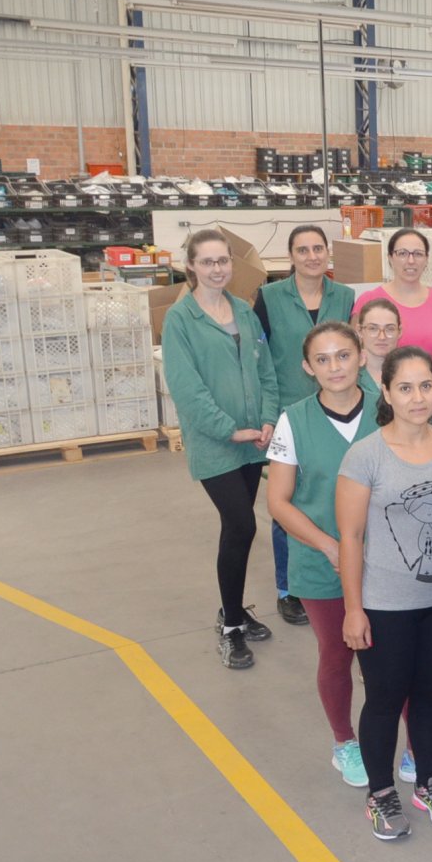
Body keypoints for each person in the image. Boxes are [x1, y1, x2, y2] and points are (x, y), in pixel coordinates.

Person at [336, 346, 432, 840]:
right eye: (406, 388)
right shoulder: (365, 455)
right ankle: (380, 792)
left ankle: (429, 781)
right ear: (386, 392)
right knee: (385, 698)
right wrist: (354, 609)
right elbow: (351, 537)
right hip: (384, 604)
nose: (418, 398)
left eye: (426, 386)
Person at [266, 322, 381, 787]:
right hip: (321, 561)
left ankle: (417, 751)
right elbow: (278, 502)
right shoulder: (293, 421)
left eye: (344, 355)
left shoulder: (389, 408)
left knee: (395, 658)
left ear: (362, 357)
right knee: (337, 652)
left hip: (389, 562)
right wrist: (330, 546)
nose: (335, 367)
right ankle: (345, 742)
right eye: (323, 359)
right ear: (307, 367)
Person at [161, 227, 279, 670]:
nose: (217, 269)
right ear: (190, 266)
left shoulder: (244, 312)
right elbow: (186, 389)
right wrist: (228, 430)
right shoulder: (180, 320)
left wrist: (267, 418)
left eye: (223, 261)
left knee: (238, 530)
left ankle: (233, 608)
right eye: (207, 262)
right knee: (242, 524)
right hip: (217, 444)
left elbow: (266, 372)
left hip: (253, 441)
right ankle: (231, 627)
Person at [254, 225, 357, 628]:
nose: (312, 256)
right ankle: (288, 588)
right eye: (303, 250)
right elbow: (262, 363)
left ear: (327, 253)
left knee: (331, 496)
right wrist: (268, 414)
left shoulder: (344, 296)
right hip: (290, 413)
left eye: (318, 248)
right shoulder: (268, 297)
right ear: (291, 256)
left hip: (338, 410)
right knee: (289, 502)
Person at [352, 228, 432, 376]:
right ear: (390, 258)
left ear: (426, 259)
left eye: (418, 254)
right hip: (382, 389)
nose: (411, 261)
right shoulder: (368, 301)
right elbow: (354, 356)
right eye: (402, 253)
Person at [355, 298, 401, 387]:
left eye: (390, 329)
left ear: (400, 331)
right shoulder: (347, 374)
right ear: (359, 331)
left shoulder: (411, 373)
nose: (382, 337)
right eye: (373, 328)